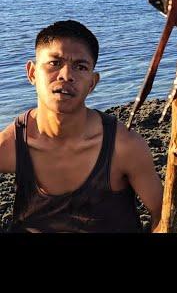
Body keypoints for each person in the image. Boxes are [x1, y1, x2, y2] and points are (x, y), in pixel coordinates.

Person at [0, 20, 163, 232]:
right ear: (32, 73)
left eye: (80, 67)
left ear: (92, 82)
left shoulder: (123, 147)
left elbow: (162, 212)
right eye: (54, 63)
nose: (66, 75)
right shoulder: (13, 144)